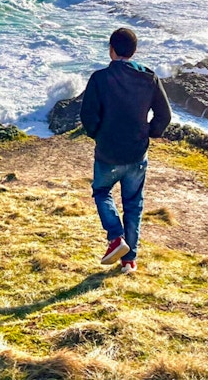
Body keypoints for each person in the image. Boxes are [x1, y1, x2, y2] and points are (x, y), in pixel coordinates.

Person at [80, 28, 171, 274]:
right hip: (137, 153)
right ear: (134, 51)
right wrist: (149, 133)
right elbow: (165, 115)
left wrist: (98, 134)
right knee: (133, 203)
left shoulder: (99, 78)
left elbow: (87, 115)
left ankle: (116, 237)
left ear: (111, 49)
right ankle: (129, 260)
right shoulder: (149, 78)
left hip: (108, 152)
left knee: (101, 192)